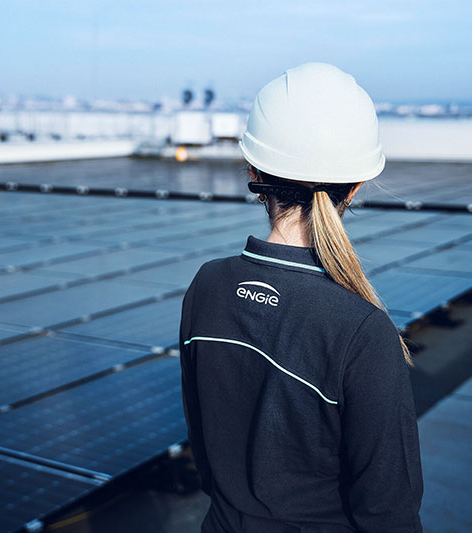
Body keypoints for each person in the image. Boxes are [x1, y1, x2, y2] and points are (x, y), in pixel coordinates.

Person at [178, 63, 424, 532]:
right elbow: (389, 507)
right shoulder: (359, 327)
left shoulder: (207, 286)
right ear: (356, 186)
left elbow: (203, 446)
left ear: (253, 170)